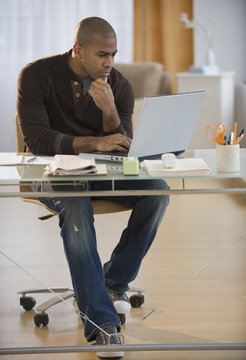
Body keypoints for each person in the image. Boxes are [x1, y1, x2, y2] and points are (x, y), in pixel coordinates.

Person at [17, 17, 170, 358]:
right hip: (51, 174)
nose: (110, 63)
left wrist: (111, 111)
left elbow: (124, 144)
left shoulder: (118, 84)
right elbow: (38, 139)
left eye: (114, 54)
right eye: (103, 54)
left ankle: (113, 282)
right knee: (76, 205)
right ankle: (102, 324)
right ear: (78, 50)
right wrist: (95, 144)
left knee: (157, 190)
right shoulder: (37, 75)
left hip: (103, 175)